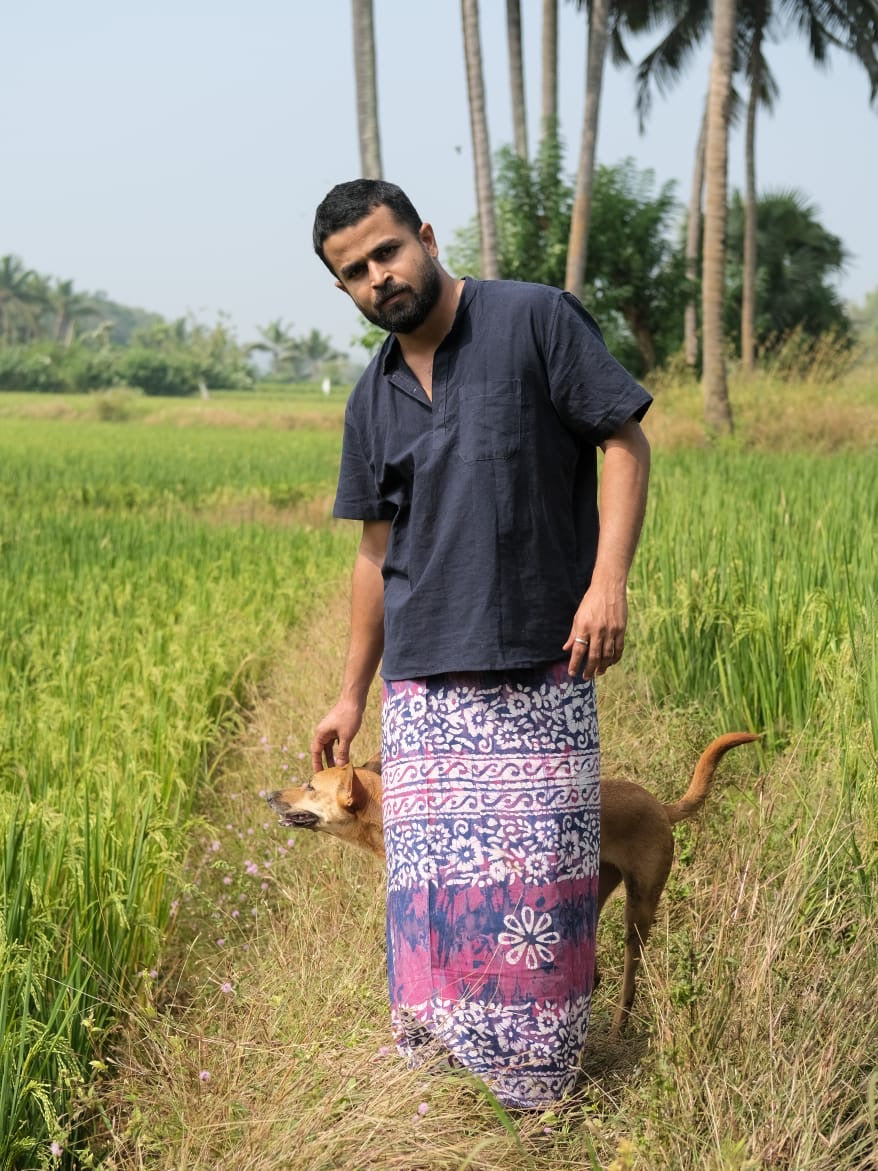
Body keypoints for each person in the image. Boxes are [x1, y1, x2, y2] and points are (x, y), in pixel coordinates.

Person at [310, 179, 651, 1109]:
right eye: (355, 273)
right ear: (343, 293)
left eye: (386, 252)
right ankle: (441, 1096)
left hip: (541, 660)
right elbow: (375, 551)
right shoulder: (371, 396)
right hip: (422, 683)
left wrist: (607, 580)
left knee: (537, 888)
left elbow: (622, 442)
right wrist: (349, 693)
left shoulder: (533, 319)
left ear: (423, 236)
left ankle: (538, 1100)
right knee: (431, 897)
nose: (379, 277)